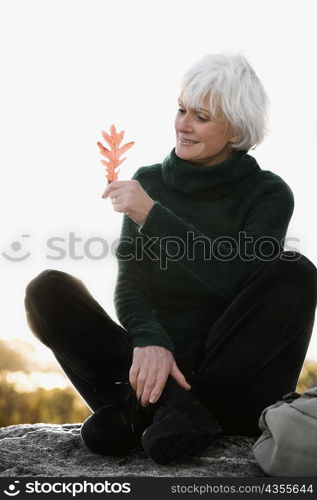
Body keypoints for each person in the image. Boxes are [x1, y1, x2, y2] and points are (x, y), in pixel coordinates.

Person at [24, 51, 317, 465]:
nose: (183, 124)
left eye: (201, 116)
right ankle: (169, 410)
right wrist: (148, 339)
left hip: (235, 385)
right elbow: (131, 283)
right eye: (182, 110)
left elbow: (234, 278)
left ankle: (154, 414)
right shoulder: (149, 182)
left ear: (235, 130)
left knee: (294, 271)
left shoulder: (268, 194)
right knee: (47, 291)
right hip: (152, 378)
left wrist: (152, 216)